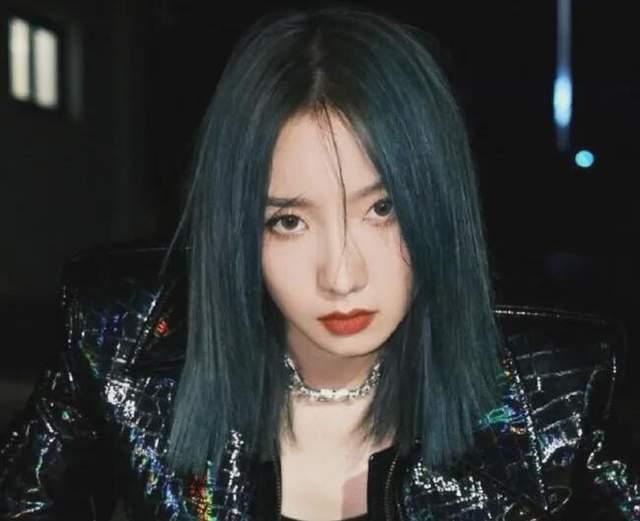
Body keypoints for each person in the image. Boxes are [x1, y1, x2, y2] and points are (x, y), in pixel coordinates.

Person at [1, 5, 638, 521]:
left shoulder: (558, 387)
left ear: (438, 204)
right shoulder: (122, 342)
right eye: (288, 221)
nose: (341, 276)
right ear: (236, 229)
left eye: (383, 209)